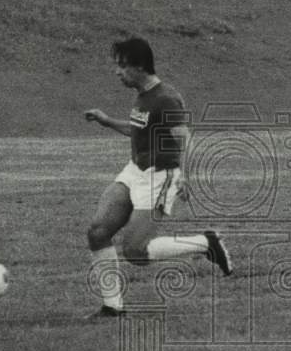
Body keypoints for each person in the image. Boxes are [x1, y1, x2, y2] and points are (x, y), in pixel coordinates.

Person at [83, 36, 232, 318]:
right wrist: (106, 121)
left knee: (135, 251)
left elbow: (184, 139)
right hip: (134, 171)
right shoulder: (143, 96)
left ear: (140, 67)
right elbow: (137, 129)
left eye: (122, 66)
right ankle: (112, 307)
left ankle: (206, 243)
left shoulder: (166, 99)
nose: (118, 72)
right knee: (98, 232)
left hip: (160, 177)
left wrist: (185, 176)